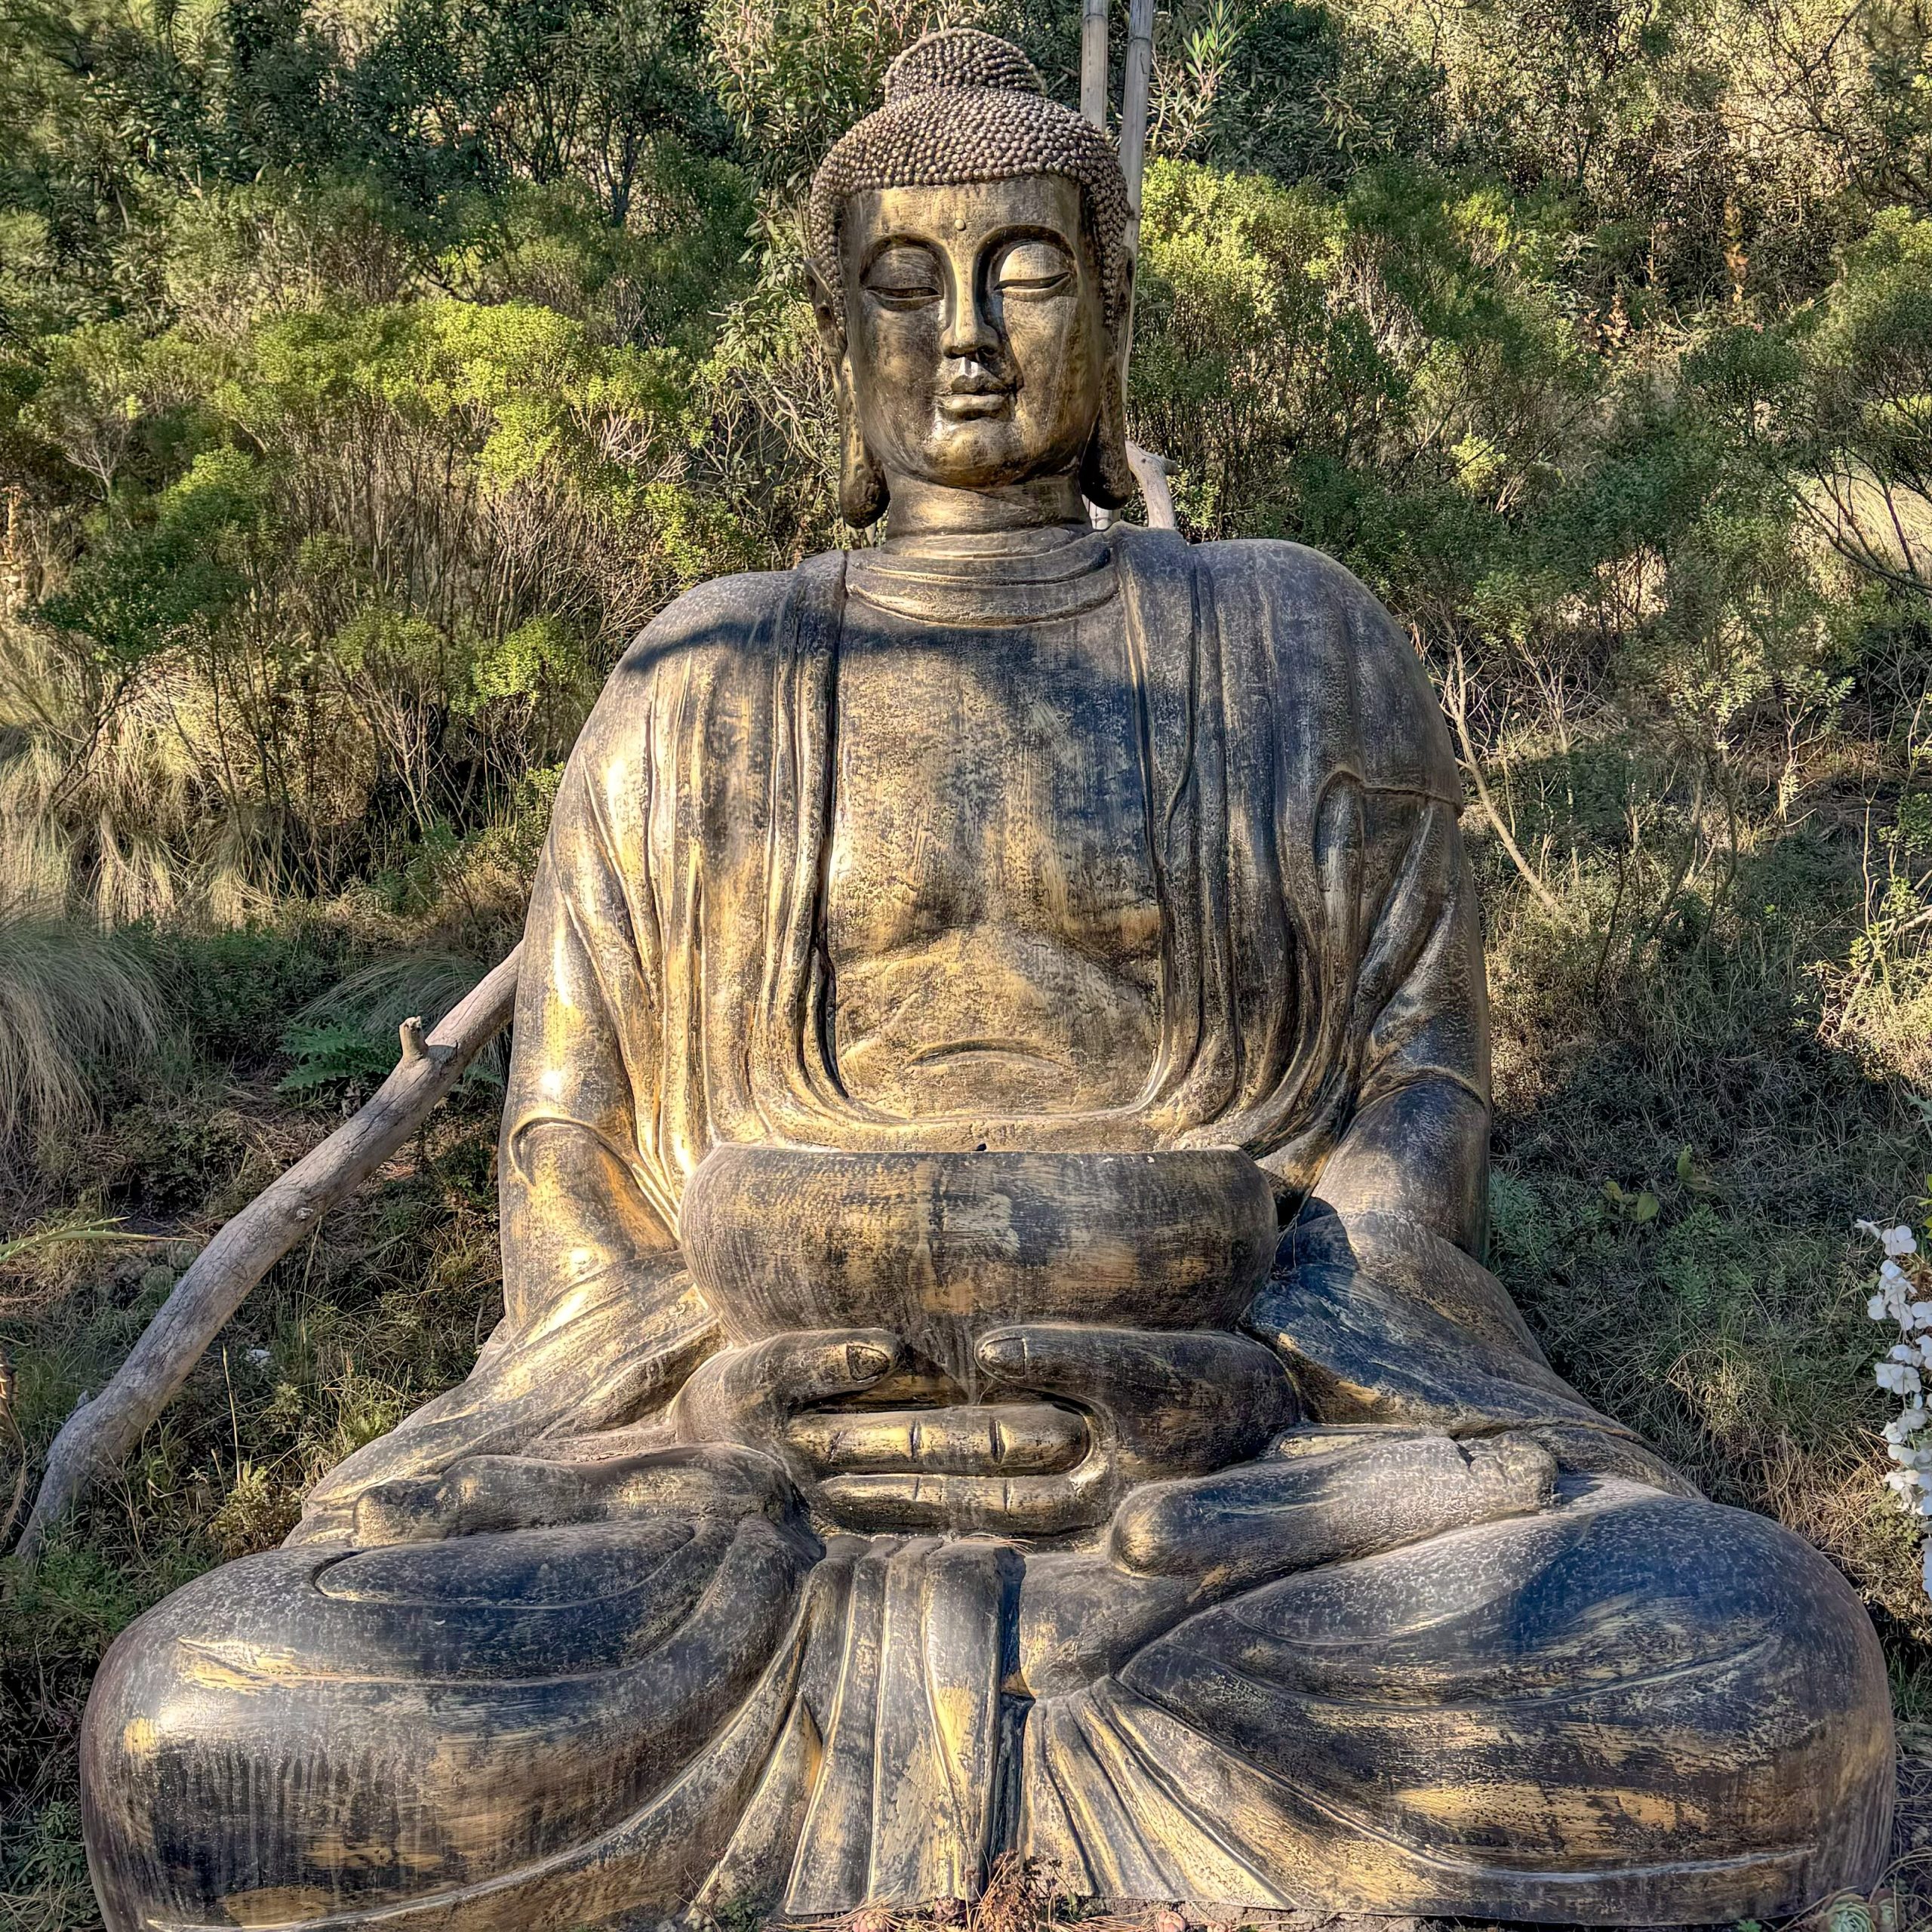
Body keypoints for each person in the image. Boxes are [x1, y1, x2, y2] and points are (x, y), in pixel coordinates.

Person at [82, 32, 1893, 1930]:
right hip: (747, 1514)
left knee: (1754, 1663)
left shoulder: (1290, 636)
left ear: (1110, 308)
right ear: (829, 324)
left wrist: (1251, 1367)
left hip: (1221, 1501)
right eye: (900, 279)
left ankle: (1015, 1755)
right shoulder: (694, 680)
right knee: (198, 1725)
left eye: (1023, 268)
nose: (963, 328)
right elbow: (572, 1163)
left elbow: (1413, 1092)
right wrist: (708, 1403)